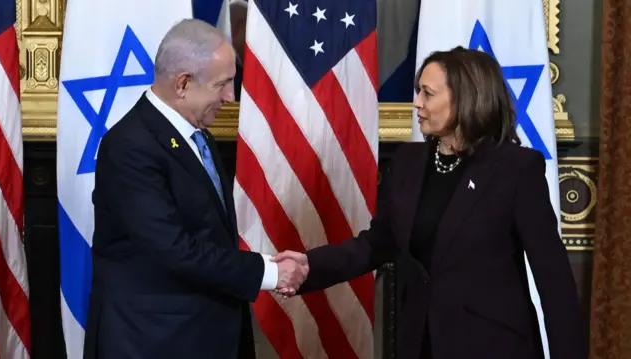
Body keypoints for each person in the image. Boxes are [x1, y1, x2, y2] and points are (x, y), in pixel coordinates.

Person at [272, 47, 587, 359]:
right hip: (421, 343)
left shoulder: (515, 169)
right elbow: (376, 244)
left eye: (427, 93)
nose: (417, 103)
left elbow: (553, 277)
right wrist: (309, 266)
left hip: (492, 345)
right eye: (417, 92)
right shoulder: (409, 162)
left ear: (465, 98)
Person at [84, 19, 307, 359]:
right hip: (153, 342)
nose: (231, 98)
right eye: (223, 85)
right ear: (184, 83)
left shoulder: (197, 134)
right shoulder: (130, 146)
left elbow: (208, 235)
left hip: (203, 334)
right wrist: (270, 272)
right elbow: (174, 248)